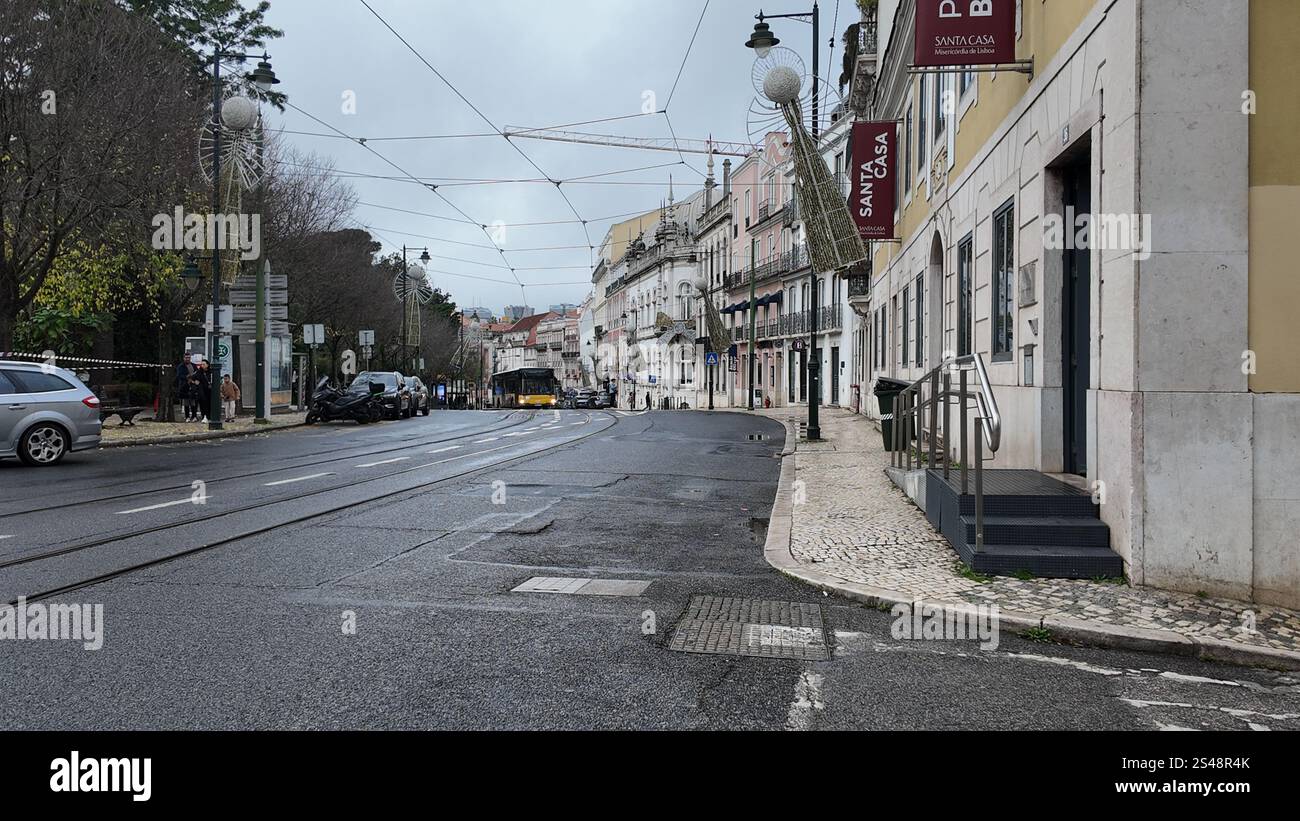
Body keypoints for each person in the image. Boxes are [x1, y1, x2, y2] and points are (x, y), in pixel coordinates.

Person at [175, 354, 197, 421]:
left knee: (193, 402)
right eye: (186, 358)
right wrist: (187, 377)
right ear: (184, 358)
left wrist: (194, 379)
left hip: (193, 385)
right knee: (186, 402)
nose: (187, 359)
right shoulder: (181, 366)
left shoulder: (193, 365)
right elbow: (179, 376)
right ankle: (187, 417)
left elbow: (197, 373)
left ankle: (194, 416)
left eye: (189, 358)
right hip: (184, 386)